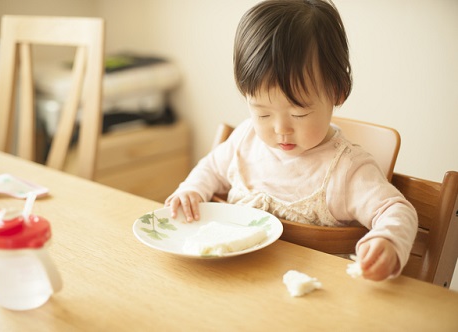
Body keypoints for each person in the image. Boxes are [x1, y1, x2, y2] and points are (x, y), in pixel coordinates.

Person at [165, 0, 417, 282]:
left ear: (337, 92)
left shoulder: (346, 171)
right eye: (262, 113)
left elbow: (395, 209)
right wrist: (192, 190)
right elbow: (211, 168)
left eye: (299, 112)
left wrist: (387, 241)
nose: (281, 128)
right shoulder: (245, 141)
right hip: (238, 285)